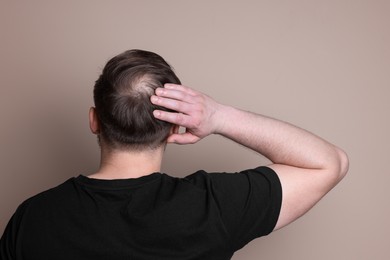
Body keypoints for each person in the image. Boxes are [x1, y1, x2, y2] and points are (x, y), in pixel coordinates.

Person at [0, 49, 349, 260]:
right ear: (173, 127)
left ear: (94, 121)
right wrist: (219, 117)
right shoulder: (211, 207)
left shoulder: (33, 219)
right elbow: (329, 163)